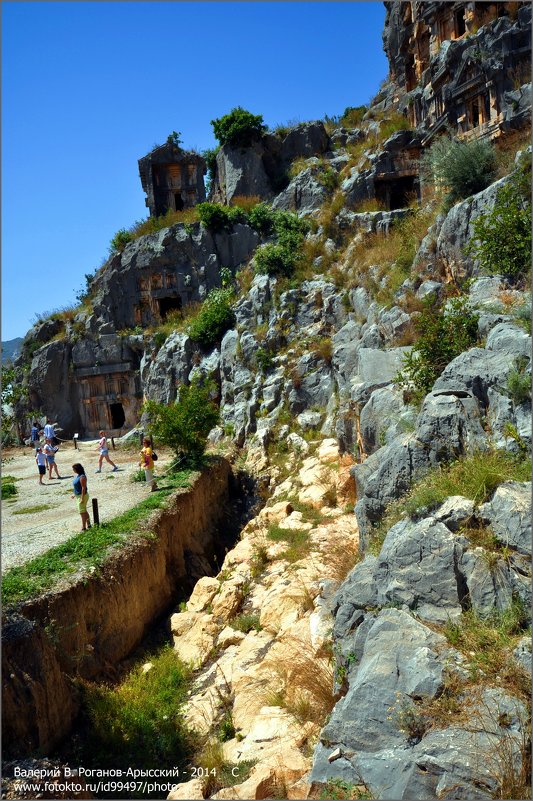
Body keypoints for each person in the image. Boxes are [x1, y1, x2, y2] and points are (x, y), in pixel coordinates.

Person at [72, 463, 91, 532]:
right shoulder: (79, 476)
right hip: (79, 496)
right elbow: (78, 487)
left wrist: (82, 498)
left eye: (73, 469)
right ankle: (89, 525)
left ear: (77, 469)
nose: (73, 470)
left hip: (82, 496)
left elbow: (83, 488)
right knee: (84, 511)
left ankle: (84, 527)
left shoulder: (82, 477)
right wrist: (74, 494)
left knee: (82, 512)